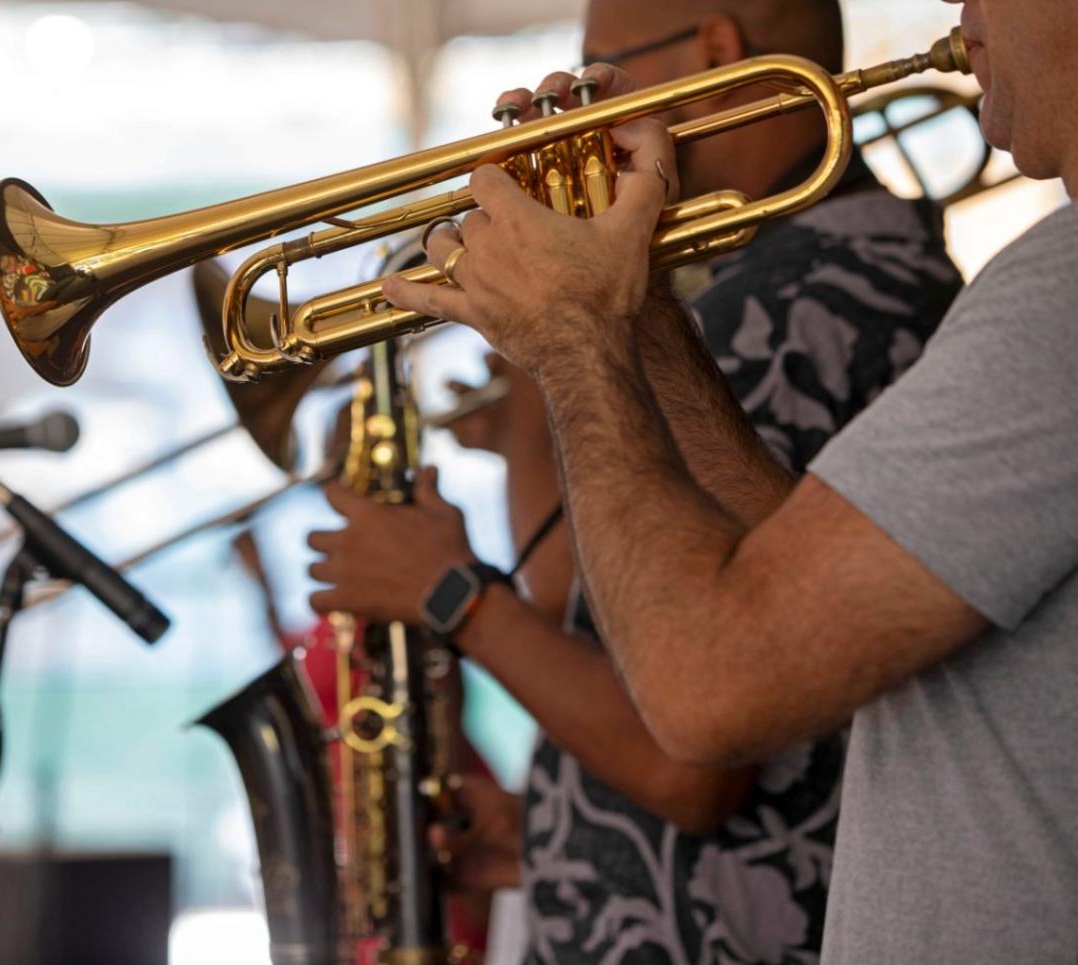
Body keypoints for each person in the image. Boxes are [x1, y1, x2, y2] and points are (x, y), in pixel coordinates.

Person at [363, 0, 1077, 960]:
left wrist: (572, 334)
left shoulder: (1046, 299)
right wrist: (630, 305)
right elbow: (806, 596)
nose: (965, 10)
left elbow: (708, 693)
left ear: (715, 49)